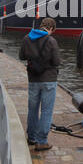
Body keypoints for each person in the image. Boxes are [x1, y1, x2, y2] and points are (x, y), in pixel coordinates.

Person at [19, 17, 61, 151]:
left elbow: (21, 56)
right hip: (49, 80)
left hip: (33, 79)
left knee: (32, 109)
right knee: (46, 111)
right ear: (51, 29)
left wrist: (33, 58)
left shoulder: (27, 38)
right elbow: (56, 62)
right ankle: (41, 141)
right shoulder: (51, 41)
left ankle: (31, 137)